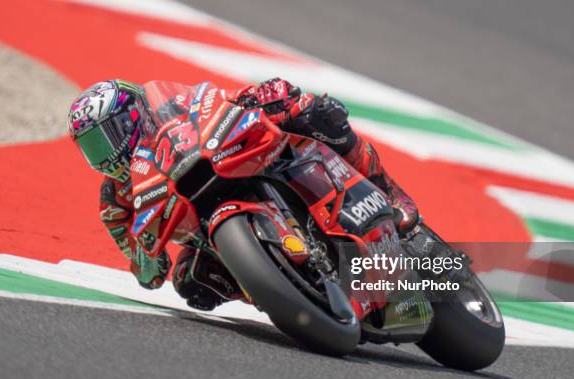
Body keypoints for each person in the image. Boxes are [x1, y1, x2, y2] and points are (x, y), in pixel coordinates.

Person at [68, 78, 419, 310]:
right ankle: (284, 291)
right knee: (190, 282)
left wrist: (261, 96)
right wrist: (144, 255)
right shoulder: (115, 201)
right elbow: (150, 273)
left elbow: (216, 102)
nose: (104, 154)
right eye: (92, 147)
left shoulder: (169, 110)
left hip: (233, 161)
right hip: (205, 229)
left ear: (133, 117)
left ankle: (388, 191)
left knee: (314, 111)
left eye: (108, 136)